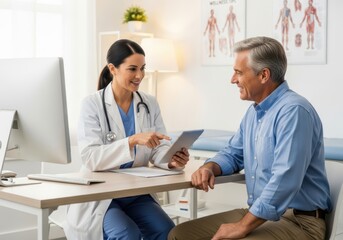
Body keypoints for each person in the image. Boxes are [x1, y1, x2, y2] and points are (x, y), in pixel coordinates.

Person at [168, 36, 331, 240]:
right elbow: (234, 154)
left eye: (238, 72)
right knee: (180, 234)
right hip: (259, 214)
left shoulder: (294, 112)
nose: (232, 79)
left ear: (264, 75)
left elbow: (284, 180)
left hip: (299, 222)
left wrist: (241, 227)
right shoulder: (254, 113)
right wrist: (210, 167)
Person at [63, 39, 190, 240]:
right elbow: (91, 157)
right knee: (126, 234)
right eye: (132, 69)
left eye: (142, 68)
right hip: (103, 194)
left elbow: (158, 147)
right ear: (112, 69)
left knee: (167, 231)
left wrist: (171, 160)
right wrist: (131, 141)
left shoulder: (149, 102)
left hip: (135, 191)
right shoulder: (92, 104)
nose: (139, 76)